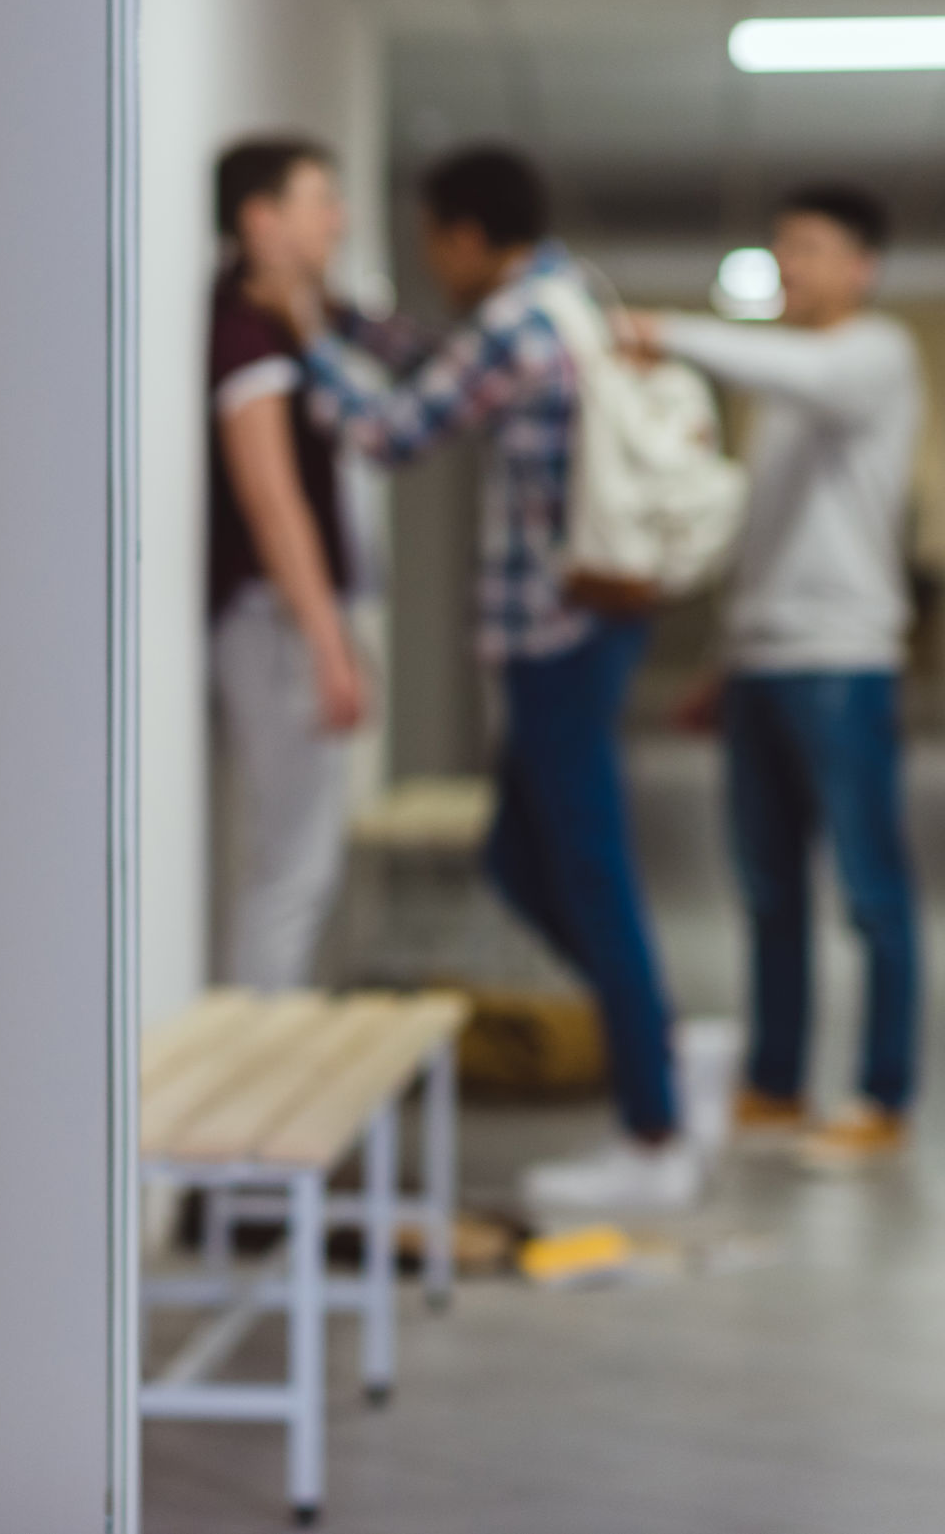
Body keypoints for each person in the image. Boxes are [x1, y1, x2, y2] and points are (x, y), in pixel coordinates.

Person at [256, 145, 722, 1215]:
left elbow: (390, 428)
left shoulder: (514, 324)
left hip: (554, 633)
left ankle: (650, 1129)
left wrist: (305, 334)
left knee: (588, 868)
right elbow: (441, 360)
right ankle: (658, 1034)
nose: (430, 259)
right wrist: (348, 318)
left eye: (432, 239)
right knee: (521, 858)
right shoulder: (557, 296)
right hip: (582, 624)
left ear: (466, 236)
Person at [621, 182, 925, 1168]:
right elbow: (768, 536)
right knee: (766, 892)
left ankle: (881, 1093)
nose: (787, 266)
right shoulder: (783, 392)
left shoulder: (873, 355)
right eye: (779, 250)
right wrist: (726, 657)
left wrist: (667, 329)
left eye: (805, 248)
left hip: (842, 665)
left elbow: (809, 374)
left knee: (870, 894)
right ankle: (775, 1081)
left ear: (859, 266)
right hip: (761, 667)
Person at [204, 138, 370, 994]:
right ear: (260, 218)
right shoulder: (245, 335)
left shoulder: (293, 322)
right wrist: (326, 639)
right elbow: (273, 501)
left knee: (294, 867)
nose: (336, 220)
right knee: (290, 872)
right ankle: (258, 1115)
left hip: (283, 618)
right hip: (272, 620)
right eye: (320, 200)